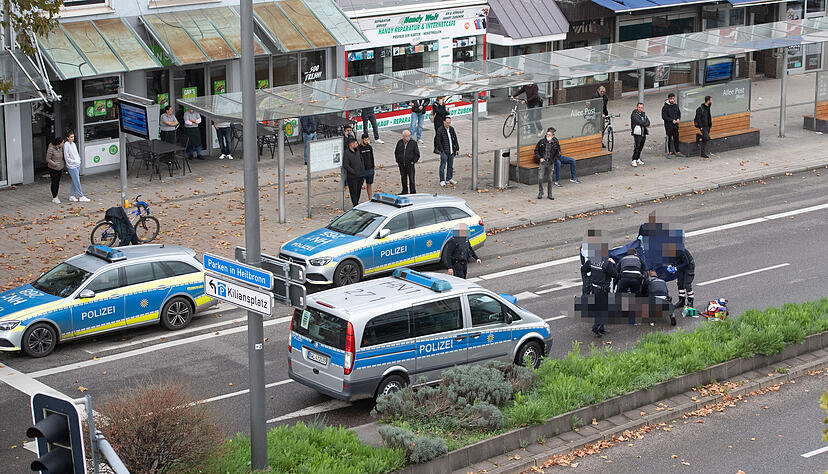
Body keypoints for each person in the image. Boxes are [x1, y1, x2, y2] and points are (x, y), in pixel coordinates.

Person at [581, 242, 617, 337]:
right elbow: (615, 274)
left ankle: (601, 328)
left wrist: (590, 278)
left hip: (595, 287)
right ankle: (596, 328)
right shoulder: (606, 263)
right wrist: (613, 264)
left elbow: (584, 269)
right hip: (603, 289)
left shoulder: (591, 261)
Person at [62, 130, 90, 202]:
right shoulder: (66, 145)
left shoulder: (73, 144)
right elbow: (67, 157)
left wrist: (78, 160)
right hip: (72, 166)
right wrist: (74, 161)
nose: (72, 138)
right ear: (67, 138)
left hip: (77, 164)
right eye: (71, 137)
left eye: (73, 137)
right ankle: (81, 196)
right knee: (77, 181)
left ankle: (72, 195)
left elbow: (76, 153)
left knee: (75, 180)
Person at [534, 127, 559, 200]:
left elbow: (558, 153)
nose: (548, 136)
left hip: (550, 162)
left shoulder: (555, 143)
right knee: (540, 177)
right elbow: (536, 150)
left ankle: (550, 194)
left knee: (550, 179)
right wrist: (539, 158)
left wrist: (553, 160)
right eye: (547, 134)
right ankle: (541, 192)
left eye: (550, 135)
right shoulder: (542, 142)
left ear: (553, 136)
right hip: (543, 162)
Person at [435, 116, 459, 187]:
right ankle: (442, 180)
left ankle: (449, 178)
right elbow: (438, 141)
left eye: (449, 122)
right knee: (443, 166)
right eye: (447, 122)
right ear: (444, 122)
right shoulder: (440, 130)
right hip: (444, 151)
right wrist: (442, 150)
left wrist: (457, 148)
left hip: (451, 150)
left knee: (450, 166)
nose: (448, 124)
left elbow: (455, 139)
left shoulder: (451, 129)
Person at [395, 130, 419, 194]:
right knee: (403, 178)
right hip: (402, 164)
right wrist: (398, 161)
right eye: (406, 136)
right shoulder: (400, 142)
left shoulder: (413, 143)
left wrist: (413, 161)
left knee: (411, 179)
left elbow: (417, 154)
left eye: (409, 136)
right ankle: (404, 191)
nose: (408, 137)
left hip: (410, 164)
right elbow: (396, 152)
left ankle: (413, 192)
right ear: (403, 136)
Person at [343, 137, 364, 206]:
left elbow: (361, 159)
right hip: (352, 177)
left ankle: (357, 202)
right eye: (355, 143)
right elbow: (346, 165)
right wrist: (353, 171)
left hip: (360, 175)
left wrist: (362, 168)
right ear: (351, 144)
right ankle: (355, 204)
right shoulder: (347, 153)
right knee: (353, 191)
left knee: (358, 191)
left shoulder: (357, 150)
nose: (357, 144)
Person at [661, 93, 681, 157]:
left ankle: (677, 151)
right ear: (669, 99)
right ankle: (668, 152)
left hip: (675, 125)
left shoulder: (676, 106)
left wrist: (678, 118)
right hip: (669, 126)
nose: (672, 100)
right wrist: (672, 120)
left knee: (676, 138)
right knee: (669, 139)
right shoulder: (665, 107)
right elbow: (664, 117)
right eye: (671, 99)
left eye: (673, 98)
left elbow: (679, 113)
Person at [630, 102, 650, 167]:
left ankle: (638, 158)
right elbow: (639, 122)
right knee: (637, 146)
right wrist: (645, 124)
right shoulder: (634, 114)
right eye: (639, 107)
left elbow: (648, 121)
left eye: (641, 107)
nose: (640, 109)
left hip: (643, 132)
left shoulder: (644, 114)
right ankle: (633, 160)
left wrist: (645, 123)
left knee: (641, 146)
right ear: (637, 107)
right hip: (637, 133)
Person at [46, 136, 65, 204]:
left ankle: (56, 194)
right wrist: (54, 164)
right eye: (62, 143)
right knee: (54, 182)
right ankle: (55, 197)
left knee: (58, 182)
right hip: (53, 168)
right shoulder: (51, 149)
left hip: (60, 167)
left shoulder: (60, 148)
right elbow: (48, 159)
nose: (63, 144)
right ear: (58, 143)